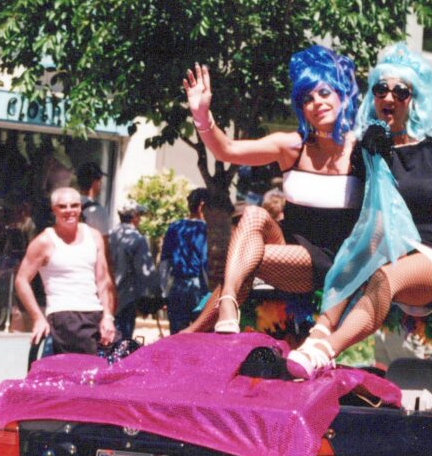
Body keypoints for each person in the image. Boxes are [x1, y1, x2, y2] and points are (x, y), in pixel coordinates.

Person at [286, 43, 432, 379]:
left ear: (414, 98)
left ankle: (325, 350)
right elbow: (356, 214)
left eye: (400, 91)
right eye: (381, 89)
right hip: (389, 249)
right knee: (367, 241)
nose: (389, 97)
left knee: (384, 276)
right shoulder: (370, 149)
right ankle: (319, 331)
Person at [183, 45, 361, 333]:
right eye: (307, 98)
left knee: (246, 259)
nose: (317, 102)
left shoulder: (362, 149)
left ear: (341, 95)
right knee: (253, 214)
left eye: (324, 92)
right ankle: (224, 306)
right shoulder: (292, 146)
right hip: (288, 247)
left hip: (333, 262)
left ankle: (192, 333)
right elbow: (226, 150)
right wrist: (202, 115)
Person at [13, 186, 117, 354]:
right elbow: (21, 280)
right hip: (65, 317)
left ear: (80, 207)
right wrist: (38, 317)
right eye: (62, 206)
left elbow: (103, 281)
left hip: (95, 314)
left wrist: (107, 317)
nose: (69, 211)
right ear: (54, 210)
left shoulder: (94, 236)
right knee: (86, 367)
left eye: (74, 205)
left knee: (123, 357)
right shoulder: (44, 241)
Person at [160, 187, 210, 334]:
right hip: (197, 286)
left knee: (176, 333)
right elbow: (204, 263)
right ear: (202, 205)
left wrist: (163, 291)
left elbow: (164, 262)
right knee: (199, 333)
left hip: (177, 286)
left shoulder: (174, 227)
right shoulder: (204, 229)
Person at [108, 200, 157, 341]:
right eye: (139, 215)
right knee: (123, 341)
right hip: (126, 298)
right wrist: (155, 295)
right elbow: (145, 272)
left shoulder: (109, 235)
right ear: (134, 216)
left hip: (107, 296)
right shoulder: (137, 239)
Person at [76, 161, 111, 236]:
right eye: (100, 181)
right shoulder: (99, 211)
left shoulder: (69, 205)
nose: (101, 184)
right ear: (95, 182)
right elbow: (104, 241)